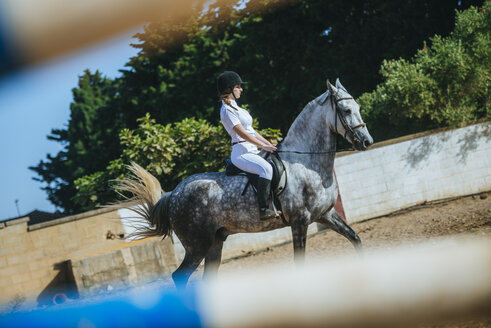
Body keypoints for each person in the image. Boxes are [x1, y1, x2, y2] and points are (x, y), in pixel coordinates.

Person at [217, 71, 277, 220]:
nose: (241, 89)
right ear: (229, 89)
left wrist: (268, 144)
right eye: (238, 87)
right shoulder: (227, 110)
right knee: (266, 169)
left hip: (251, 149)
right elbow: (242, 134)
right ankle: (263, 209)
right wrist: (263, 146)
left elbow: (252, 131)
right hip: (241, 152)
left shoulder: (238, 109)